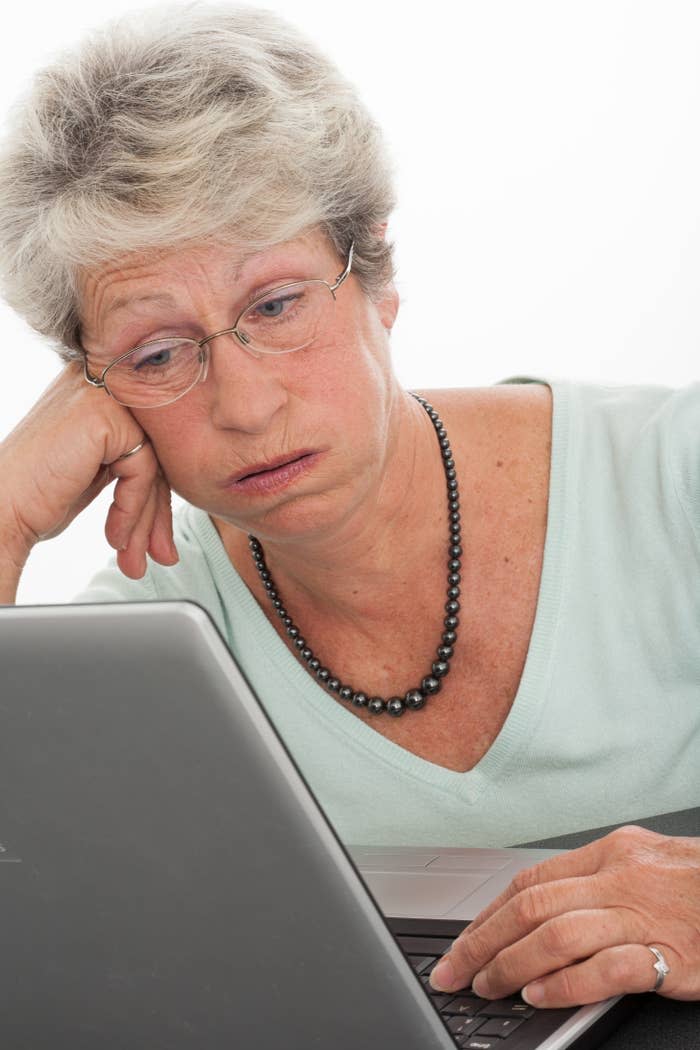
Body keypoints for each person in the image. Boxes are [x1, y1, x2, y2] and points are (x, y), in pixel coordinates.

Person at [0, 3, 698, 1010]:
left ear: (375, 273)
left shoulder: (673, 479)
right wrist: (9, 510)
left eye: (275, 305)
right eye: (157, 354)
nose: (245, 404)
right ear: (96, 389)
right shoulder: (141, 657)